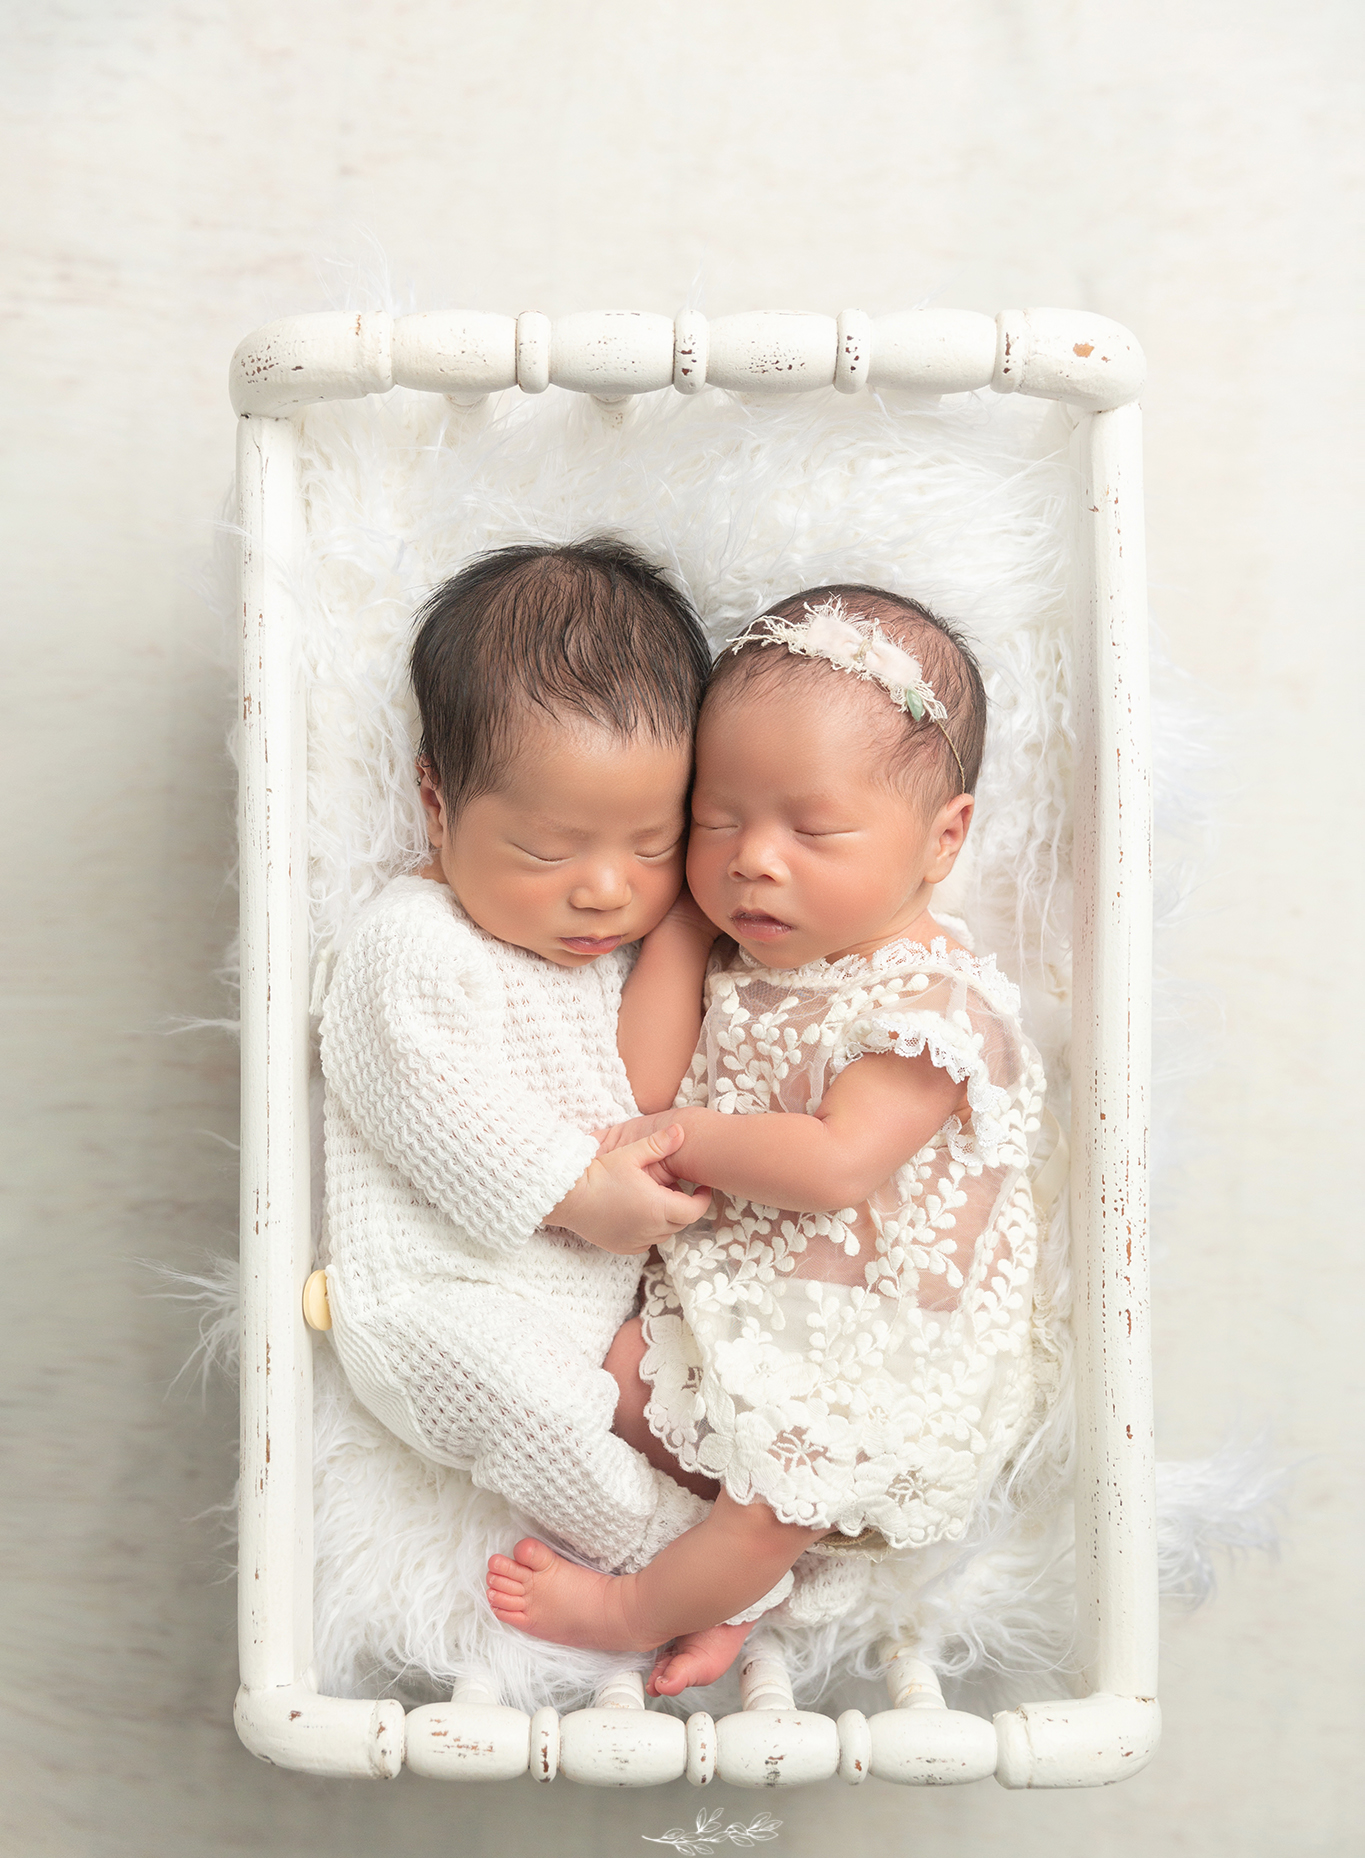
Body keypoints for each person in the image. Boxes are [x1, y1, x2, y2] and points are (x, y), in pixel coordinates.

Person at [486, 586, 1048, 1694]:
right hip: (741, 1296)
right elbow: (641, 1082)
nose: (754, 859)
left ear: (945, 840)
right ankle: (736, 1597)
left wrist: (688, 1134)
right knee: (613, 1393)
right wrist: (682, 937)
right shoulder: (748, 962)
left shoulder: (929, 1000)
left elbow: (840, 1160)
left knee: (768, 1496)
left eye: (813, 827)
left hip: (867, 1341)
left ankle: (633, 1604)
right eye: (718, 818)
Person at [319, 537, 730, 1582]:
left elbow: (640, 1081)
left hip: (576, 1306)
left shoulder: (603, 952)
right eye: (548, 850)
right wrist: (580, 1187)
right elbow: (428, 1096)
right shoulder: (413, 941)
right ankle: (659, 1552)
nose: (604, 889)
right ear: (438, 801)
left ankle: (743, 1532)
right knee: (542, 1415)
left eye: (650, 844)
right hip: (433, 1304)